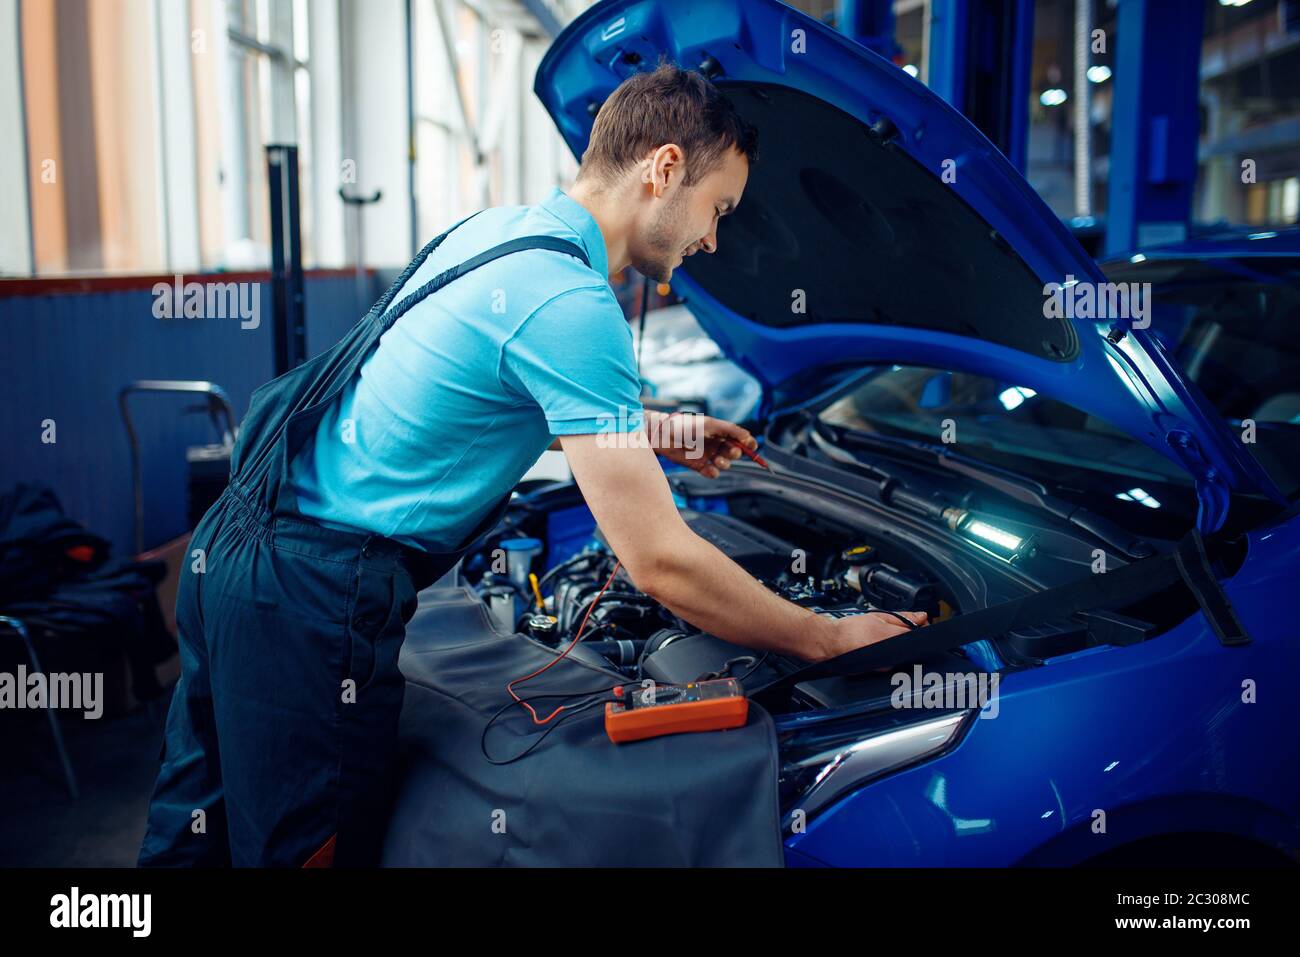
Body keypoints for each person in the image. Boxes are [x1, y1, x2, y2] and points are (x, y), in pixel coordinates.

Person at [137, 62, 925, 869]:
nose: (712, 241)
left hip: (233, 551)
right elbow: (657, 561)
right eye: (717, 209)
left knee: (191, 833)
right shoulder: (572, 304)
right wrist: (825, 640)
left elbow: (469, 401)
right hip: (307, 598)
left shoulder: (494, 234)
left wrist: (655, 430)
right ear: (663, 169)